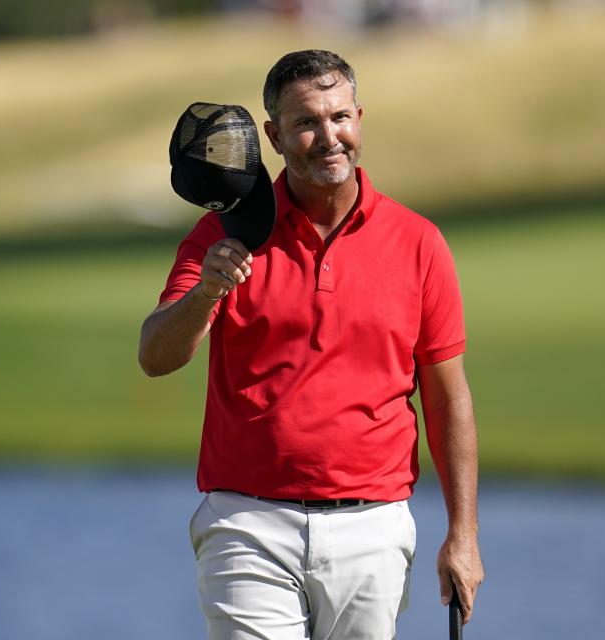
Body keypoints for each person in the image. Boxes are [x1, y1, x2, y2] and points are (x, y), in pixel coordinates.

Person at [139, 49, 483, 640]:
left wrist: (463, 537)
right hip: (247, 522)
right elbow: (156, 355)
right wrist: (207, 294)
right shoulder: (223, 234)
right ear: (273, 135)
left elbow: (448, 401)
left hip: (372, 525)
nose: (329, 137)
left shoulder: (418, 242)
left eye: (340, 117)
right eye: (306, 123)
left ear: (359, 118)